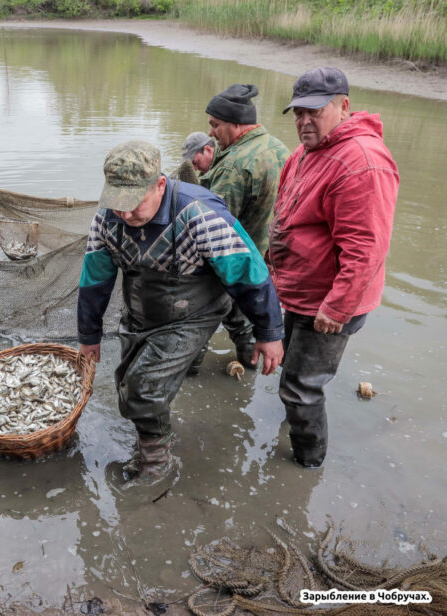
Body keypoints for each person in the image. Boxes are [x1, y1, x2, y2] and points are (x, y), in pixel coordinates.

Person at [77, 140, 284, 484]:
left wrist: (270, 332)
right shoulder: (107, 218)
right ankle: (152, 435)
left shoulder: (200, 214)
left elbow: (249, 275)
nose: (124, 215)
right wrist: (88, 335)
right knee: (126, 386)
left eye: (133, 204)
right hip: (142, 308)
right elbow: (95, 278)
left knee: (144, 388)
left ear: (159, 185)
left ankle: (155, 465)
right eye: (118, 204)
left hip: (194, 311)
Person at [268, 67, 398, 468]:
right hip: (300, 293)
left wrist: (336, 308)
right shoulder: (304, 153)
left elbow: (366, 249)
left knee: (302, 386)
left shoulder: (361, 162)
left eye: (315, 112)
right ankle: (296, 426)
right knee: (294, 374)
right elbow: (285, 217)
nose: (304, 122)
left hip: (329, 303)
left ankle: (307, 466)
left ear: (343, 106)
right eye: (298, 113)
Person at [192, 84, 290, 373]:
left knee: (200, 321)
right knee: (244, 318)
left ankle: (189, 370)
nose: (210, 133)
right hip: (263, 261)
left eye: (215, 125)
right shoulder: (279, 147)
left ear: (236, 123)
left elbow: (211, 227)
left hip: (232, 260)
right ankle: (251, 363)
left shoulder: (234, 165)